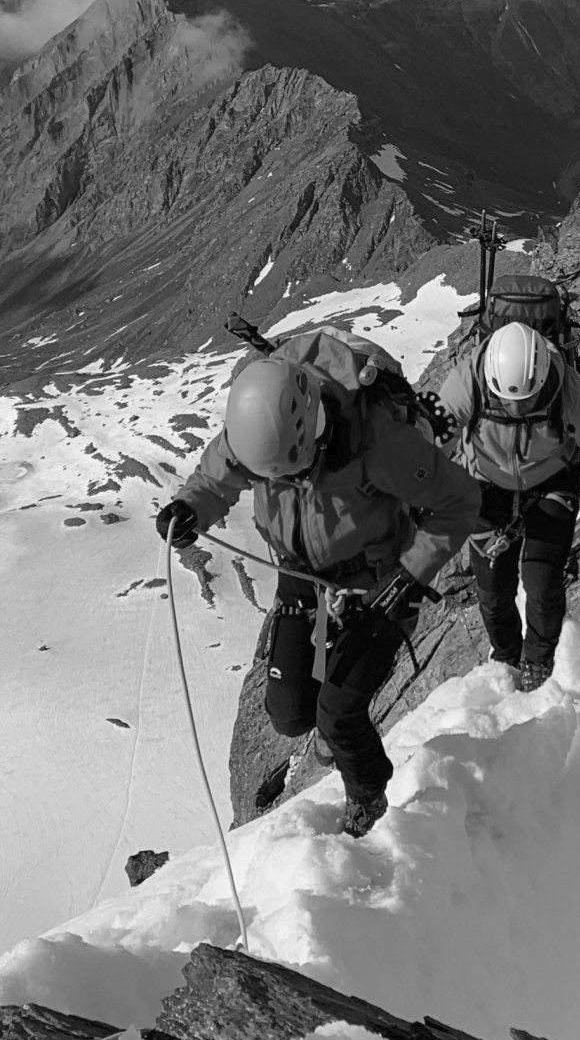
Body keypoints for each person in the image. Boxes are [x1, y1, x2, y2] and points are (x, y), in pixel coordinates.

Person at [157, 331, 486, 838]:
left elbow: (459, 501)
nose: (290, 481)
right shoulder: (261, 425)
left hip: (379, 582)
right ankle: (335, 727)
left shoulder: (379, 442)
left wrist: (407, 578)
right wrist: (192, 506)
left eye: (297, 470)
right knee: (289, 715)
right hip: (302, 573)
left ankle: (368, 797)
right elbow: (219, 471)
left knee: (339, 715)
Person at [436, 319, 580, 693]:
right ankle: (507, 659)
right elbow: (430, 446)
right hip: (485, 482)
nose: (515, 407)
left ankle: (539, 662)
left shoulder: (567, 392)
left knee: (541, 580)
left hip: (552, 482)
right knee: (493, 589)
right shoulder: (467, 383)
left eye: (525, 400)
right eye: (507, 399)